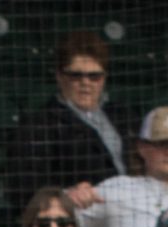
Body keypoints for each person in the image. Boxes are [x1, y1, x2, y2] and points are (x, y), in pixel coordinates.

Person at [10, 32, 128, 215]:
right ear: (60, 76)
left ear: (104, 78)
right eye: (76, 76)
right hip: (77, 217)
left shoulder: (123, 116)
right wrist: (66, 196)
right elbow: (24, 190)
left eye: (94, 76)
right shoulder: (38, 125)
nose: (85, 83)